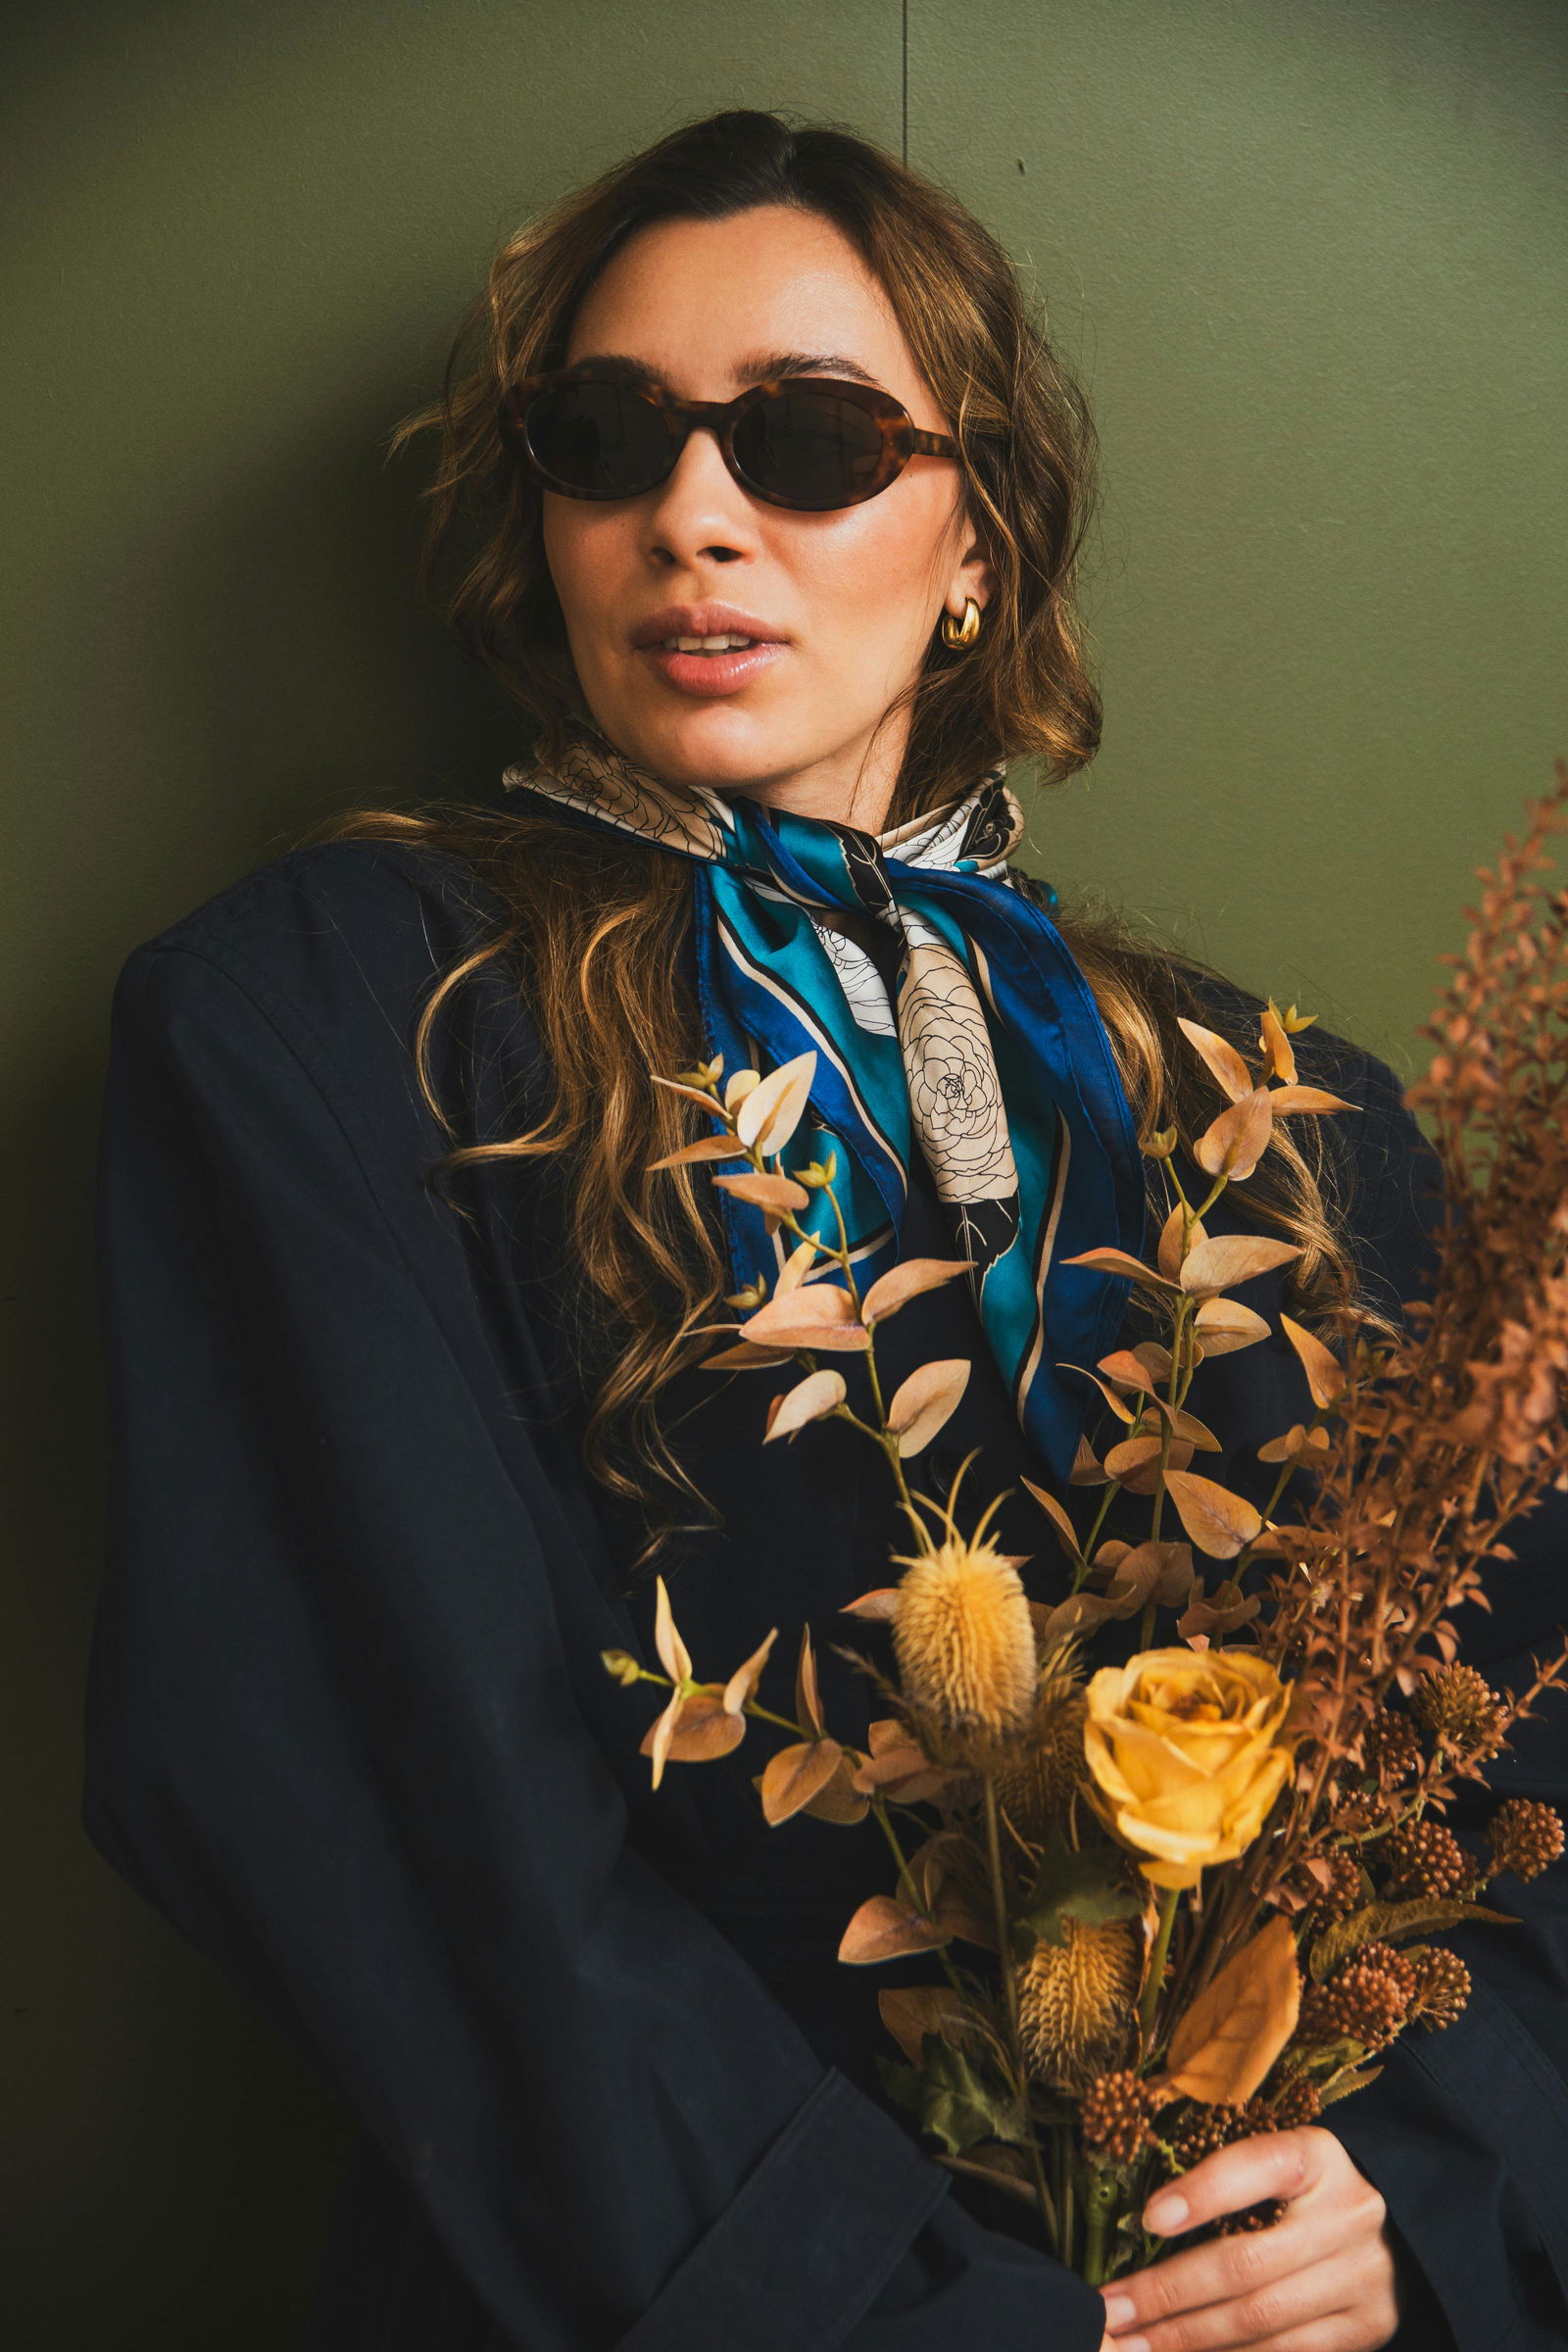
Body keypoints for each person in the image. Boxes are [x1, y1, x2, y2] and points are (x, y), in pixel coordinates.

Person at [81, 111, 1568, 2352]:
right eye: (605, 438)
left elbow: (1511, 1752)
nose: (693, 513)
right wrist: (923, 2318)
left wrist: (1410, 2194)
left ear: (974, 535)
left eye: (806, 441)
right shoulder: (332, 1021)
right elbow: (386, 1812)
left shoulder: (1293, 1121)